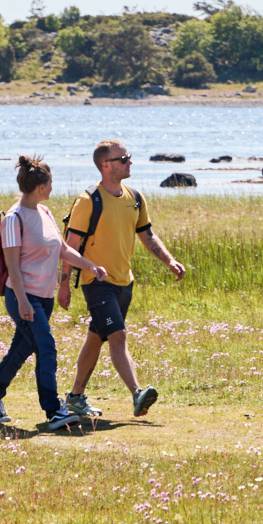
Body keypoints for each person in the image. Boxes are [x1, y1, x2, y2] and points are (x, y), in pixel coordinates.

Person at [64, 137, 186, 421]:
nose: (130, 162)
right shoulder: (87, 201)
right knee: (118, 336)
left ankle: (75, 396)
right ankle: (137, 393)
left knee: (96, 338)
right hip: (96, 282)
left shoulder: (136, 198)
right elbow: (69, 246)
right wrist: (63, 284)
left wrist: (169, 260)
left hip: (124, 282)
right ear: (106, 166)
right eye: (123, 159)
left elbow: (146, 235)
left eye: (128, 157)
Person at [0, 154, 106, 431]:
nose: (52, 188)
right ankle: (53, 411)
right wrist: (24, 301)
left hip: (44, 297)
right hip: (23, 297)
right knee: (46, 348)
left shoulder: (45, 213)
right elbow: (12, 264)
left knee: (22, 348)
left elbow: (62, 249)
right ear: (41, 186)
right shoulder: (14, 219)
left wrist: (91, 266)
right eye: (50, 184)